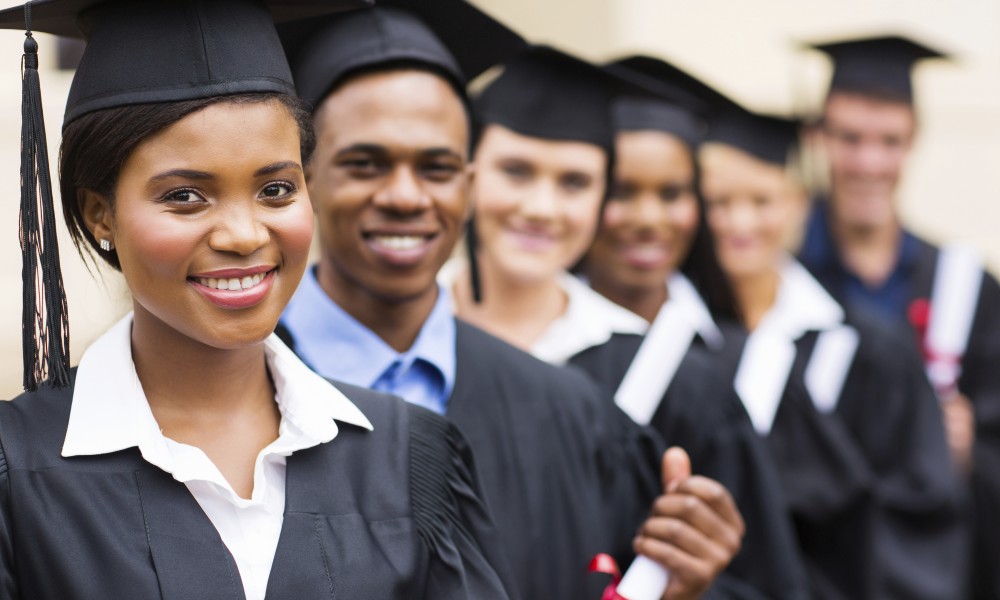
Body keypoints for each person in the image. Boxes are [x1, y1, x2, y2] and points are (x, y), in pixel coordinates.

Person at [0, 1, 516, 598]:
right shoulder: (18, 471)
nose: (245, 235)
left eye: (276, 189)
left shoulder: (407, 458)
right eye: (186, 196)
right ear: (100, 215)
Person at [277, 9, 748, 599]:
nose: (404, 195)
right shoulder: (221, 389)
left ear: (469, 185)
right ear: (304, 178)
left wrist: (686, 584)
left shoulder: (572, 414)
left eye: (437, 167)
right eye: (365, 163)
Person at [443, 45, 809, 599]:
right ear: (466, 173)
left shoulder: (681, 382)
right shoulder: (396, 342)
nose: (542, 207)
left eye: (575, 182)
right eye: (515, 171)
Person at [699, 100, 966, 599]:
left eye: (762, 201)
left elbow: (917, 519)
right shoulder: (683, 338)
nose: (740, 222)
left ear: (799, 203)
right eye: (719, 203)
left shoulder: (868, 350)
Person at [571, 55, 810, 600]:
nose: (649, 217)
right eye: (622, 191)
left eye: (673, 193)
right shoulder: (530, 348)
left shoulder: (735, 360)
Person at [798, 35, 1000, 598]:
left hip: (931, 573)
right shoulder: (781, 278)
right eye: (849, 139)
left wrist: (967, 454)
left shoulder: (966, 287)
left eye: (889, 141)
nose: (869, 162)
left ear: (913, 142)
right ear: (819, 138)